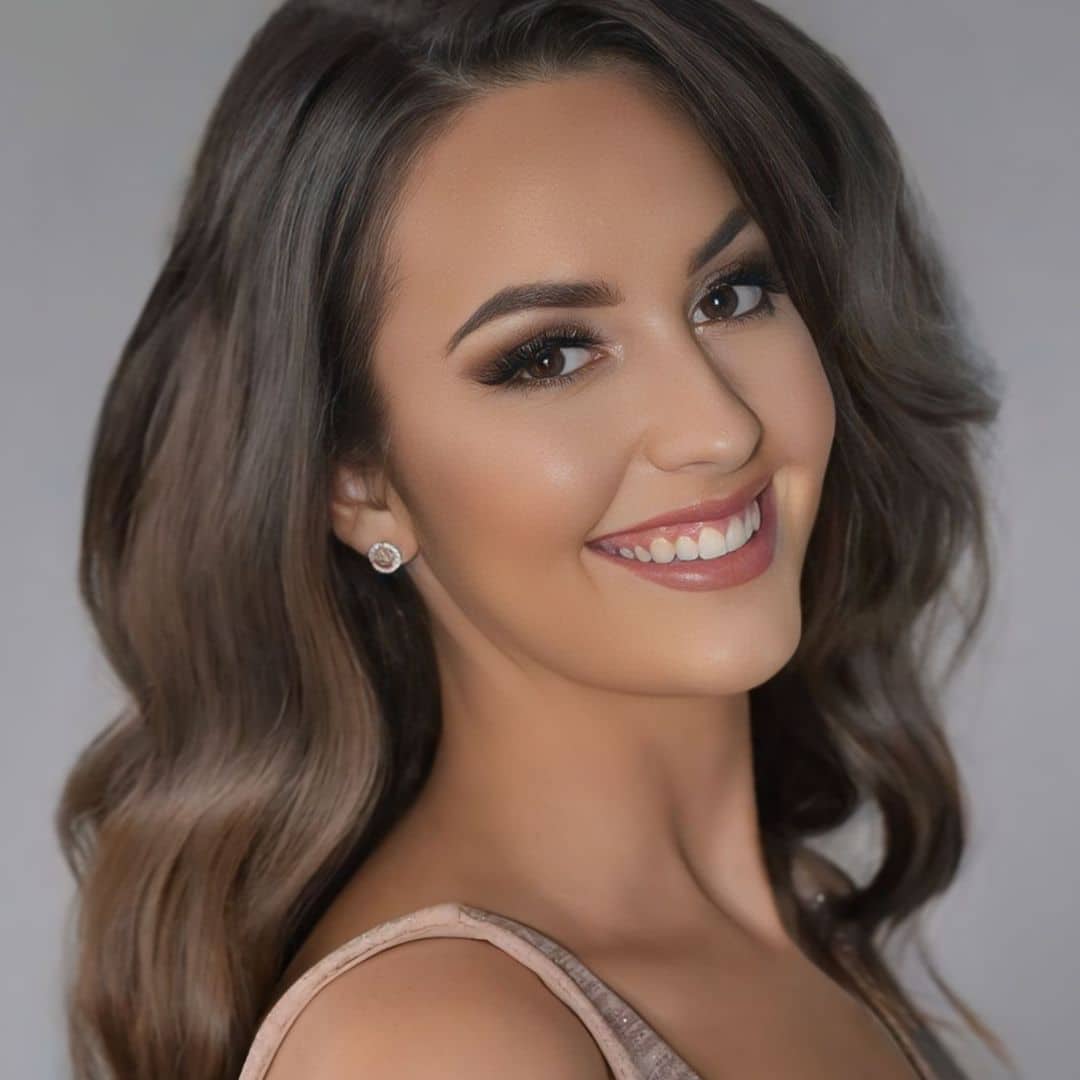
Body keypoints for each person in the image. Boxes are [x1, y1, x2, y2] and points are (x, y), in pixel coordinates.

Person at [56, 1, 1015, 1078]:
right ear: (359, 482)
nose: (719, 426)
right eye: (550, 356)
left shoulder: (804, 915)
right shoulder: (434, 1044)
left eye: (731, 293)